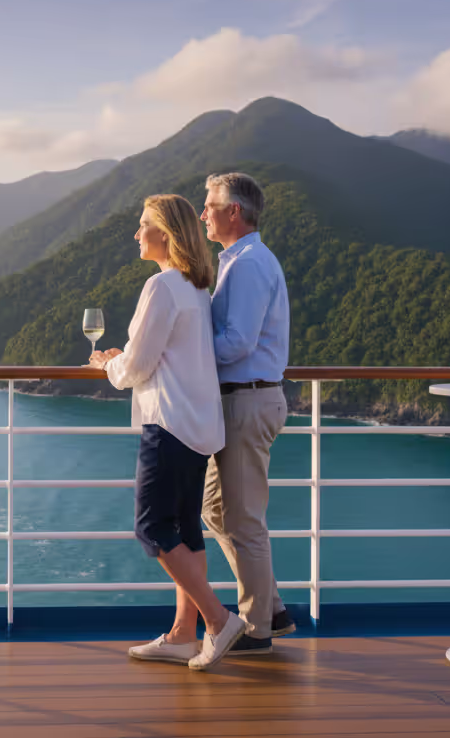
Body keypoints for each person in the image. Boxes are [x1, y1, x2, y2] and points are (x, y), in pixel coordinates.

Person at [87, 194, 243, 671]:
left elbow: (138, 365)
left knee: (152, 527)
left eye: (143, 226)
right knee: (185, 526)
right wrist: (126, 359)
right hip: (198, 426)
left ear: (166, 235)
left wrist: (109, 363)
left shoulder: (161, 287)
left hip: (169, 425)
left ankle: (217, 620)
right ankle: (181, 634)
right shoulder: (195, 288)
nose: (137, 234)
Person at [181, 171, 293, 656]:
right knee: (215, 509)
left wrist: (181, 346)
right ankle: (271, 607)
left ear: (234, 212)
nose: (202, 213)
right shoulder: (240, 262)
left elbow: (237, 343)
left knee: (244, 520)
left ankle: (257, 628)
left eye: (209, 205)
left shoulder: (247, 265)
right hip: (238, 400)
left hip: (246, 399)